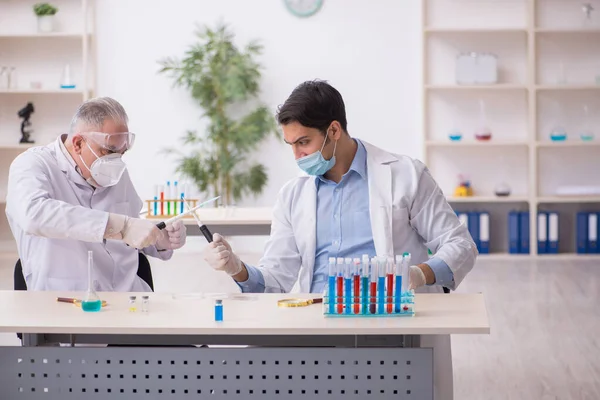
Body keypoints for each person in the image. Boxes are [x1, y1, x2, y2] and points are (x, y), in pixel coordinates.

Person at [203, 80, 477, 399]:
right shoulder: (293, 195)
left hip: (384, 324)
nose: (297, 155)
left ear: (334, 130)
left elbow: (461, 246)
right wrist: (237, 268)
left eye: (303, 142)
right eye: (290, 144)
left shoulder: (405, 175)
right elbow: (276, 280)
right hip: (315, 325)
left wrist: (419, 274)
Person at [6, 97, 186, 292]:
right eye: (109, 150)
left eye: (121, 153)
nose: (115, 161)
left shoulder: (115, 172)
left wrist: (159, 239)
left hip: (128, 296)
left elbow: (132, 229)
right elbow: (34, 216)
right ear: (78, 144)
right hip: (64, 300)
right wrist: (120, 226)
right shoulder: (33, 164)